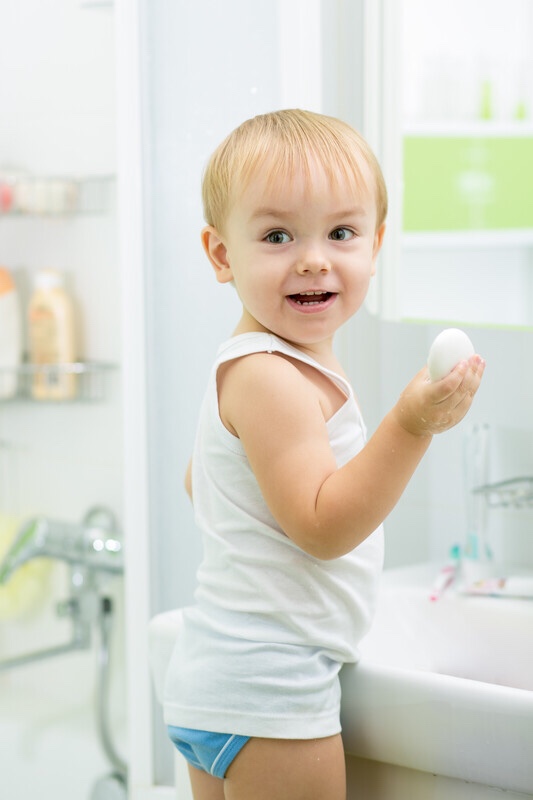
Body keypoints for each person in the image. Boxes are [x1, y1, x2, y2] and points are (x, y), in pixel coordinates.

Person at [163, 109, 485, 800]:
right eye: (277, 235)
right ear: (221, 255)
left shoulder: (256, 365)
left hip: (222, 676)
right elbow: (322, 528)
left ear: (375, 244)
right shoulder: (273, 377)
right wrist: (409, 424)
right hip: (270, 688)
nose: (313, 257)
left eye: (340, 233)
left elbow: (203, 484)